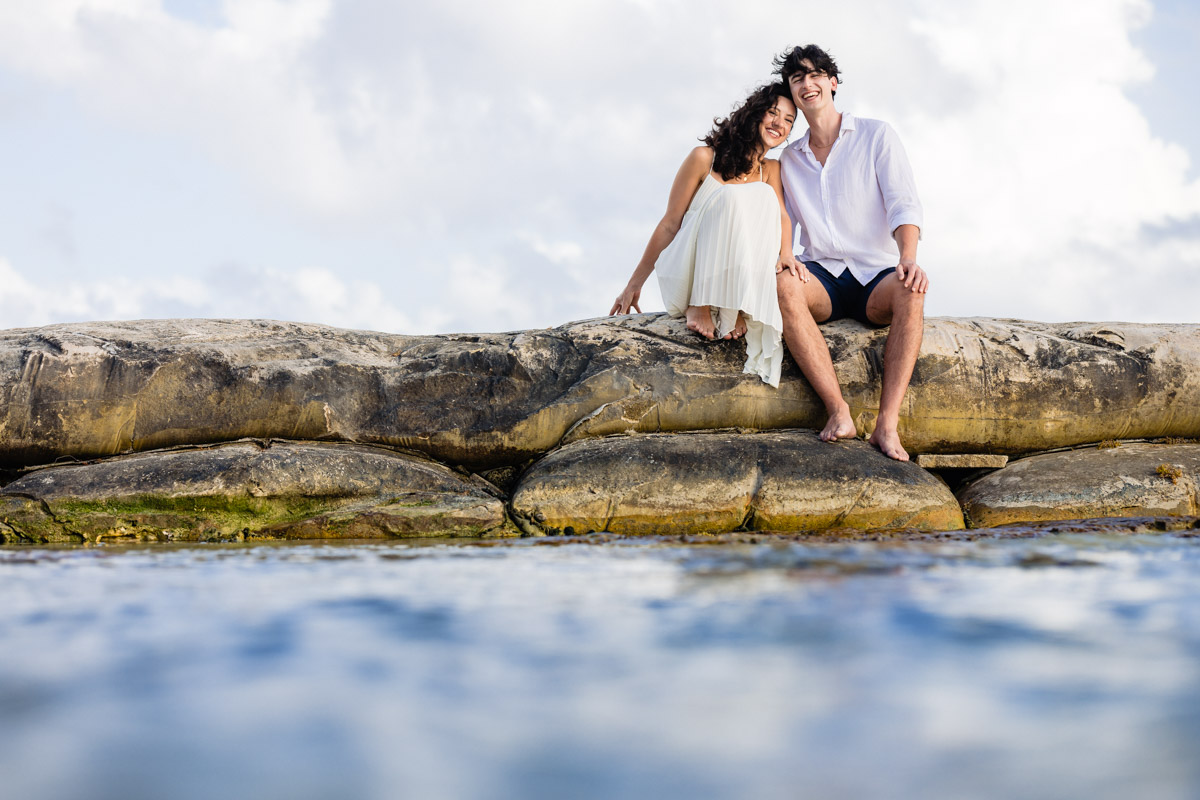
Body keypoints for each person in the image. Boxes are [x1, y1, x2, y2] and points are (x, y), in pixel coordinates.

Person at [773, 44, 928, 460]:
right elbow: (781, 221)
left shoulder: (876, 135)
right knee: (782, 282)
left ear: (832, 82)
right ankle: (839, 412)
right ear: (792, 91)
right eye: (798, 78)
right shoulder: (789, 159)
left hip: (876, 274)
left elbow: (903, 204)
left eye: (816, 74)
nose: (808, 83)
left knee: (912, 289)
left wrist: (907, 257)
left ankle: (886, 426)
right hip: (821, 274)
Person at [610, 83, 798, 387]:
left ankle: (734, 303)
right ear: (754, 113)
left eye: (788, 120)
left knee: (762, 200)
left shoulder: (770, 170)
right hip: (689, 275)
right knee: (731, 198)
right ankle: (701, 303)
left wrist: (787, 254)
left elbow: (782, 219)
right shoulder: (704, 158)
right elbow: (670, 224)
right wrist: (634, 284)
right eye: (773, 113)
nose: (779, 123)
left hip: (734, 284)